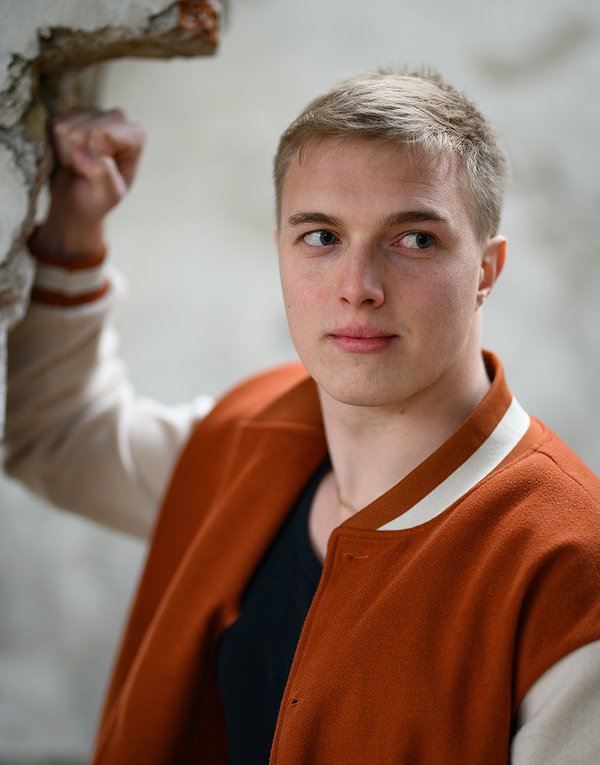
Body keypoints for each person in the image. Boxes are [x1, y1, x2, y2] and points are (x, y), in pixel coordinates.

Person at [4, 70, 600, 765]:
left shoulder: (568, 563)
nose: (358, 288)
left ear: (486, 271)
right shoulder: (249, 434)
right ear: (281, 253)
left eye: (414, 239)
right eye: (321, 236)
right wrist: (73, 229)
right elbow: (56, 437)